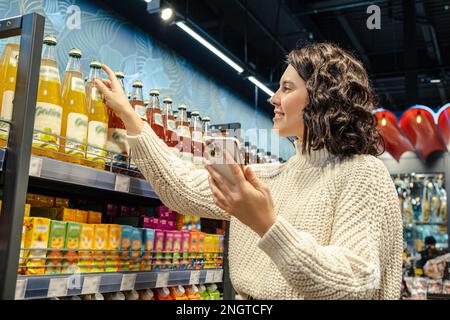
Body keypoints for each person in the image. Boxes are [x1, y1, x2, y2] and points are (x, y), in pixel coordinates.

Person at [95, 42, 403, 300]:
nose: (274, 98)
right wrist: (128, 115)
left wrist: (266, 223)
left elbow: (355, 284)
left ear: (323, 96)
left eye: (287, 88)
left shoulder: (363, 174)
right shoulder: (268, 176)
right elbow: (182, 187)